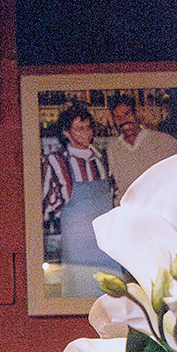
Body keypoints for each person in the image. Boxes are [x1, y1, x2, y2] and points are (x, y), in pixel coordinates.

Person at [41, 101, 118, 289]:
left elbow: (114, 196)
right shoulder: (57, 162)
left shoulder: (102, 159)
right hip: (77, 252)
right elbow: (46, 207)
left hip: (107, 247)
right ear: (66, 132)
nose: (87, 133)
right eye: (80, 129)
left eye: (89, 128)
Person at [107, 95, 177, 202]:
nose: (124, 120)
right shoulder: (113, 148)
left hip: (158, 205)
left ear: (136, 114)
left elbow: (175, 181)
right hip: (128, 208)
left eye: (127, 114)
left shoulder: (164, 141)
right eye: (118, 117)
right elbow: (118, 188)